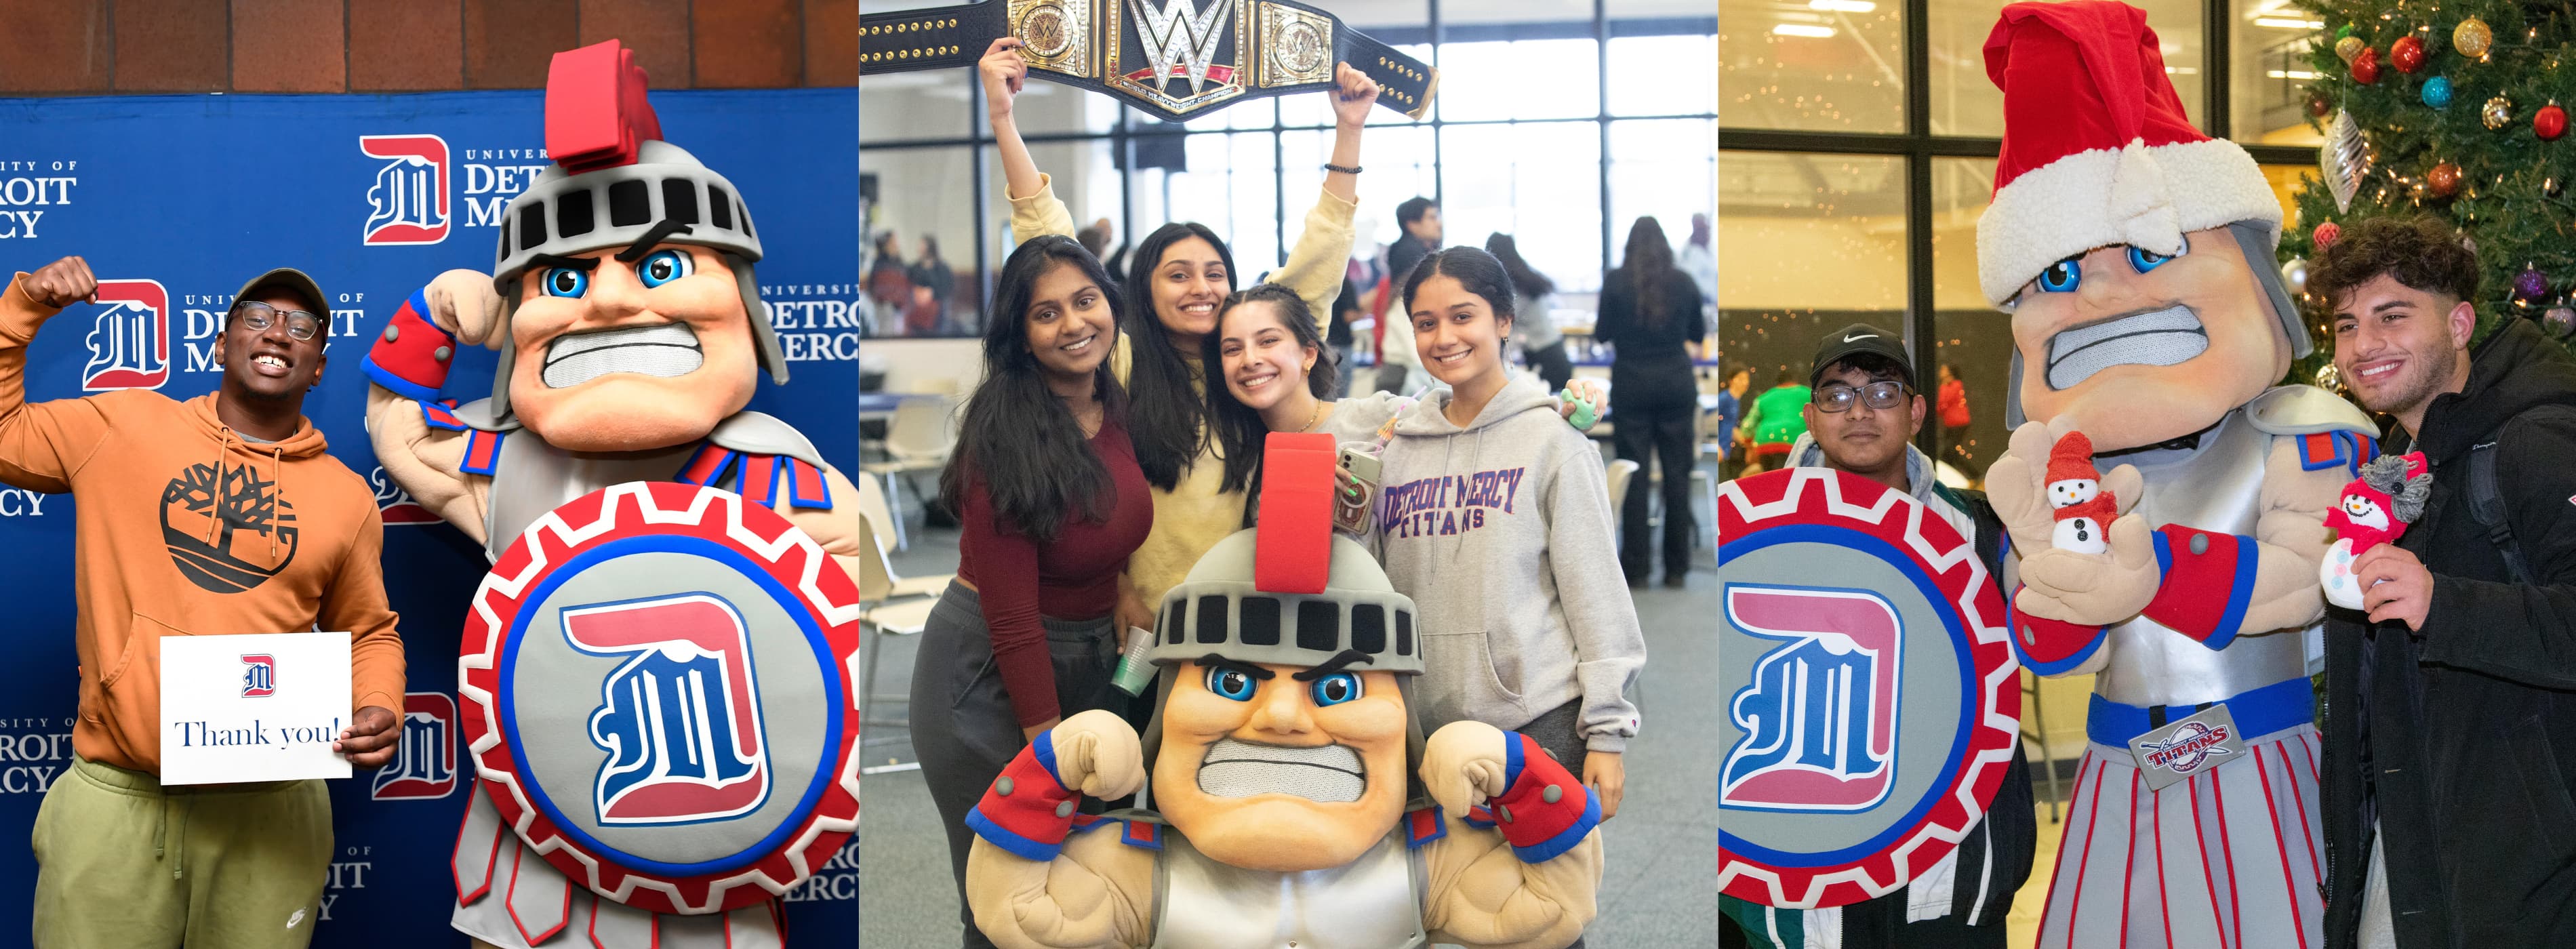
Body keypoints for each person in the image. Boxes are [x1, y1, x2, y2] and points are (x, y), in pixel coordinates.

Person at [1975, 6, 2375, 946]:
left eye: (2150, 254)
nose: (2107, 294)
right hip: (2118, 768)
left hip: (2260, 756)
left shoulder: (2305, 431)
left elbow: (2310, 579)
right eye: (2063, 274)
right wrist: (2049, 581)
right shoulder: (2064, 469)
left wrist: (2148, 568)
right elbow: (2051, 651)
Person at [3, 256, 405, 948]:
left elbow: (368, 628)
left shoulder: (346, 497)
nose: (277, 331)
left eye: (301, 325)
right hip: (119, 797)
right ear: (219, 346)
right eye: (256, 317)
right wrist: (21, 311)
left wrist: (379, 701)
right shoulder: (121, 424)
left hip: (270, 807)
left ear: (317, 368)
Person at [980, 36, 1377, 637]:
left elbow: (1319, 261)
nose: (1202, 288)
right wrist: (1003, 119)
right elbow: (1047, 234)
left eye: (1215, 273)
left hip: (1241, 611)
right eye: (1179, 275)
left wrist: (1349, 131)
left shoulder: (1247, 365)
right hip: (1137, 613)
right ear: (1145, 288)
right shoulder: (1121, 360)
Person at [1717, 324, 2036, 948]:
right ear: (1810, 416)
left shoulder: (1983, 533)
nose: (1859, 411)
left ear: (1916, 412)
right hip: (1798, 881)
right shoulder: (1749, 532)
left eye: (1883, 392)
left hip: (1951, 875)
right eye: (1837, 395)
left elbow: (2055, 642)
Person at [2307, 215, 2576, 948]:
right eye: (2345, 324)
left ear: (2457, 323)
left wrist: (2442, 602)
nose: (2363, 345)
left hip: (2532, 870)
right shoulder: (2395, 464)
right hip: (2421, 838)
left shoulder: (2535, 439)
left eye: (2392, 316)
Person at [1367, 248, 1646, 907]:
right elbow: (1373, 578)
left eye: (1461, 316)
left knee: (1544, 914)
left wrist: (1606, 732)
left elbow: (1596, 592)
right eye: (1425, 322)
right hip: (1425, 724)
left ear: (1502, 320)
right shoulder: (1398, 444)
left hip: (1536, 719)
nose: (1443, 338)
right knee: (1451, 910)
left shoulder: (1551, 438)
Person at [914, 237, 1154, 949]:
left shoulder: (1109, 401)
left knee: (1087, 887)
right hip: (988, 672)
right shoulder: (1003, 432)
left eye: (1085, 301)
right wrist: (1045, 747)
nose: (1073, 323)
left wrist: (1118, 583)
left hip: (1087, 655)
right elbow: (1011, 612)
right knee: (1006, 902)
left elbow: (1093, 521)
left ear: (1110, 304)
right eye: (1045, 313)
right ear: (1019, 335)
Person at [1598, 217, 1709, 586]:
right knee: (1678, 475)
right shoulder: (1684, 282)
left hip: (1631, 383)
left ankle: (1637, 569)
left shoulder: (1616, 281)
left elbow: (1602, 332)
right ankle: (1677, 570)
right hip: (1677, 383)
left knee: (1635, 473)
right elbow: (1696, 332)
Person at [1487, 233, 1573, 392]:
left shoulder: (1514, 286)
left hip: (1545, 357)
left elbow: (1506, 319)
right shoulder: (1525, 277)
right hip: (1554, 351)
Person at [1375, 197, 1441, 392]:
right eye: (1431, 217)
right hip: (1401, 377)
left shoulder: (1402, 249)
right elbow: (1415, 350)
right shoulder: (1411, 253)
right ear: (1412, 224)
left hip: (1400, 373)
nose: (1438, 224)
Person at [1736, 367, 1809, 477]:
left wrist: (1749, 445)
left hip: (1765, 443)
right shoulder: (1807, 394)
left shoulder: (1764, 398)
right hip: (1793, 442)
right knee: (1788, 480)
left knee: (1769, 479)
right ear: (1795, 381)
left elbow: (1747, 426)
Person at [1936, 362, 1976, 477]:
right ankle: (1972, 475)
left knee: (1949, 452)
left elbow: (1943, 404)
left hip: (1958, 423)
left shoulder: (1954, 385)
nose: (1940, 372)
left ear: (1949, 372)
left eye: (1943, 369)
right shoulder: (1949, 386)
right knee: (1951, 453)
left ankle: (1974, 475)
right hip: (1952, 423)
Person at [911, 234, 958, 329]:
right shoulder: (915, 267)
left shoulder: (942, 268)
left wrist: (931, 293)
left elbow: (945, 288)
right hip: (918, 308)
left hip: (937, 308)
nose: (919, 247)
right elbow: (911, 284)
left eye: (922, 244)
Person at [1716, 365, 1750, 479]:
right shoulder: (1724, 398)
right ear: (1731, 381)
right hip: (1719, 450)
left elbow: (1732, 428)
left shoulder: (1736, 401)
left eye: (1746, 379)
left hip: (1726, 452)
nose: (1744, 382)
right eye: (1740, 378)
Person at [1679, 211, 1716, 310]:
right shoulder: (1689, 252)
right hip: (1700, 303)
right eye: (1701, 228)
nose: (1706, 231)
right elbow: (1690, 280)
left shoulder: (1710, 251)